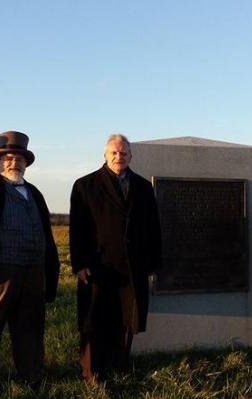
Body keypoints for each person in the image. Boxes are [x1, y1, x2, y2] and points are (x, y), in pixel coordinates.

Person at [0, 131, 60, 392]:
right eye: (8, 158)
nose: (13, 163)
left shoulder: (34, 192)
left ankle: (31, 375)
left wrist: (49, 268)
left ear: (26, 163)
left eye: (18, 159)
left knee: (30, 325)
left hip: (33, 269)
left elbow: (46, 233)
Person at [69, 134, 162, 384]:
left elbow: (153, 227)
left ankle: (119, 367)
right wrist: (79, 264)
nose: (118, 157)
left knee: (126, 320)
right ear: (105, 155)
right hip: (98, 266)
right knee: (94, 320)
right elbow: (77, 229)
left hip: (133, 266)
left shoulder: (143, 187)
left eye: (123, 153)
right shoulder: (85, 185)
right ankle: (91, 373)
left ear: (131, 156)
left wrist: (153, 263)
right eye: (114, 153)